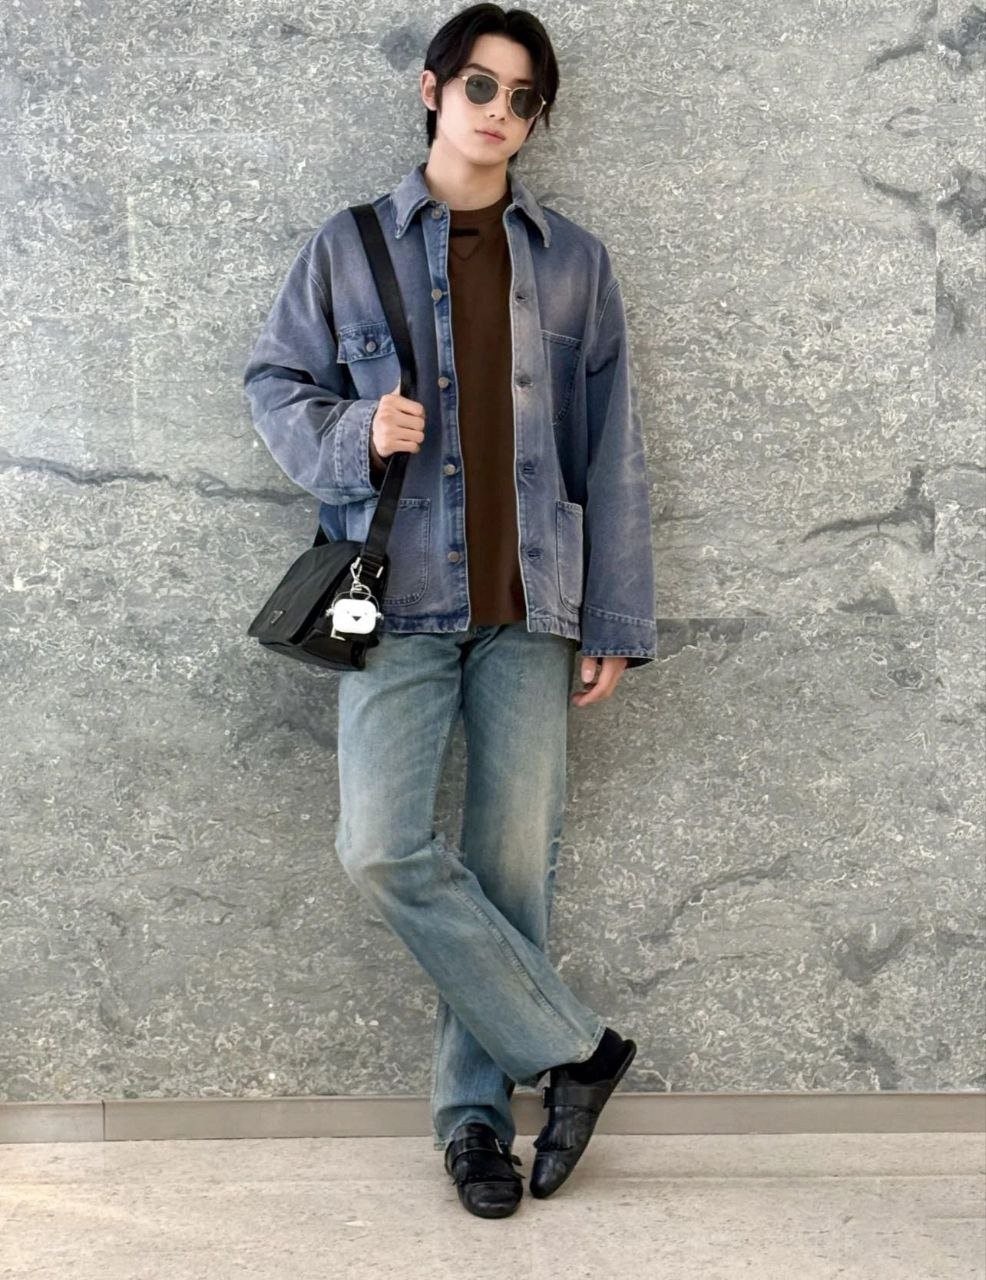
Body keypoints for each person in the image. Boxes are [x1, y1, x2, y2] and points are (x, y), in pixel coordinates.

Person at [242, 2, 657, 1219]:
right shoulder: (350, 245)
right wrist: (351, 431)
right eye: (481, 85)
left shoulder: (573, 262)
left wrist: (613, 616)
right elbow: (273, 381)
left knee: (511, 872)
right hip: (398, 601)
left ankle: (475, 1124)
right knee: (379, 846)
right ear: (432, 89)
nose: (500, 113)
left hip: (531, 601)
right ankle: (578, 1050)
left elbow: (610, 448)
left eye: (523, 99)